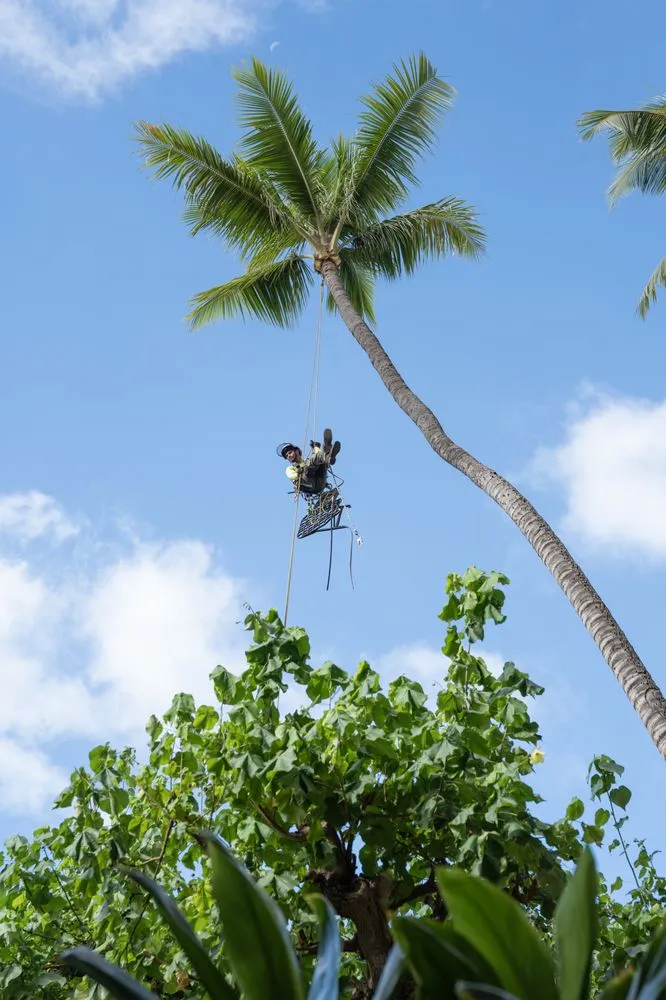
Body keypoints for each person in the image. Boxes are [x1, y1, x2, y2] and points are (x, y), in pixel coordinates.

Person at [278, 429, 341, 495]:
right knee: (311, 463)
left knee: (319, 463)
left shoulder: (307, 461)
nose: (289, 456)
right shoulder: (290, 468)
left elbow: (316, 456)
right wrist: (298, 474)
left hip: (320, 482)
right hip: (309, 484)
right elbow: (291, 475)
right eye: (287, 456)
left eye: (290, 452)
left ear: (297, 451)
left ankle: (328, 454)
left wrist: (315, 448)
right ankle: (326, 455)